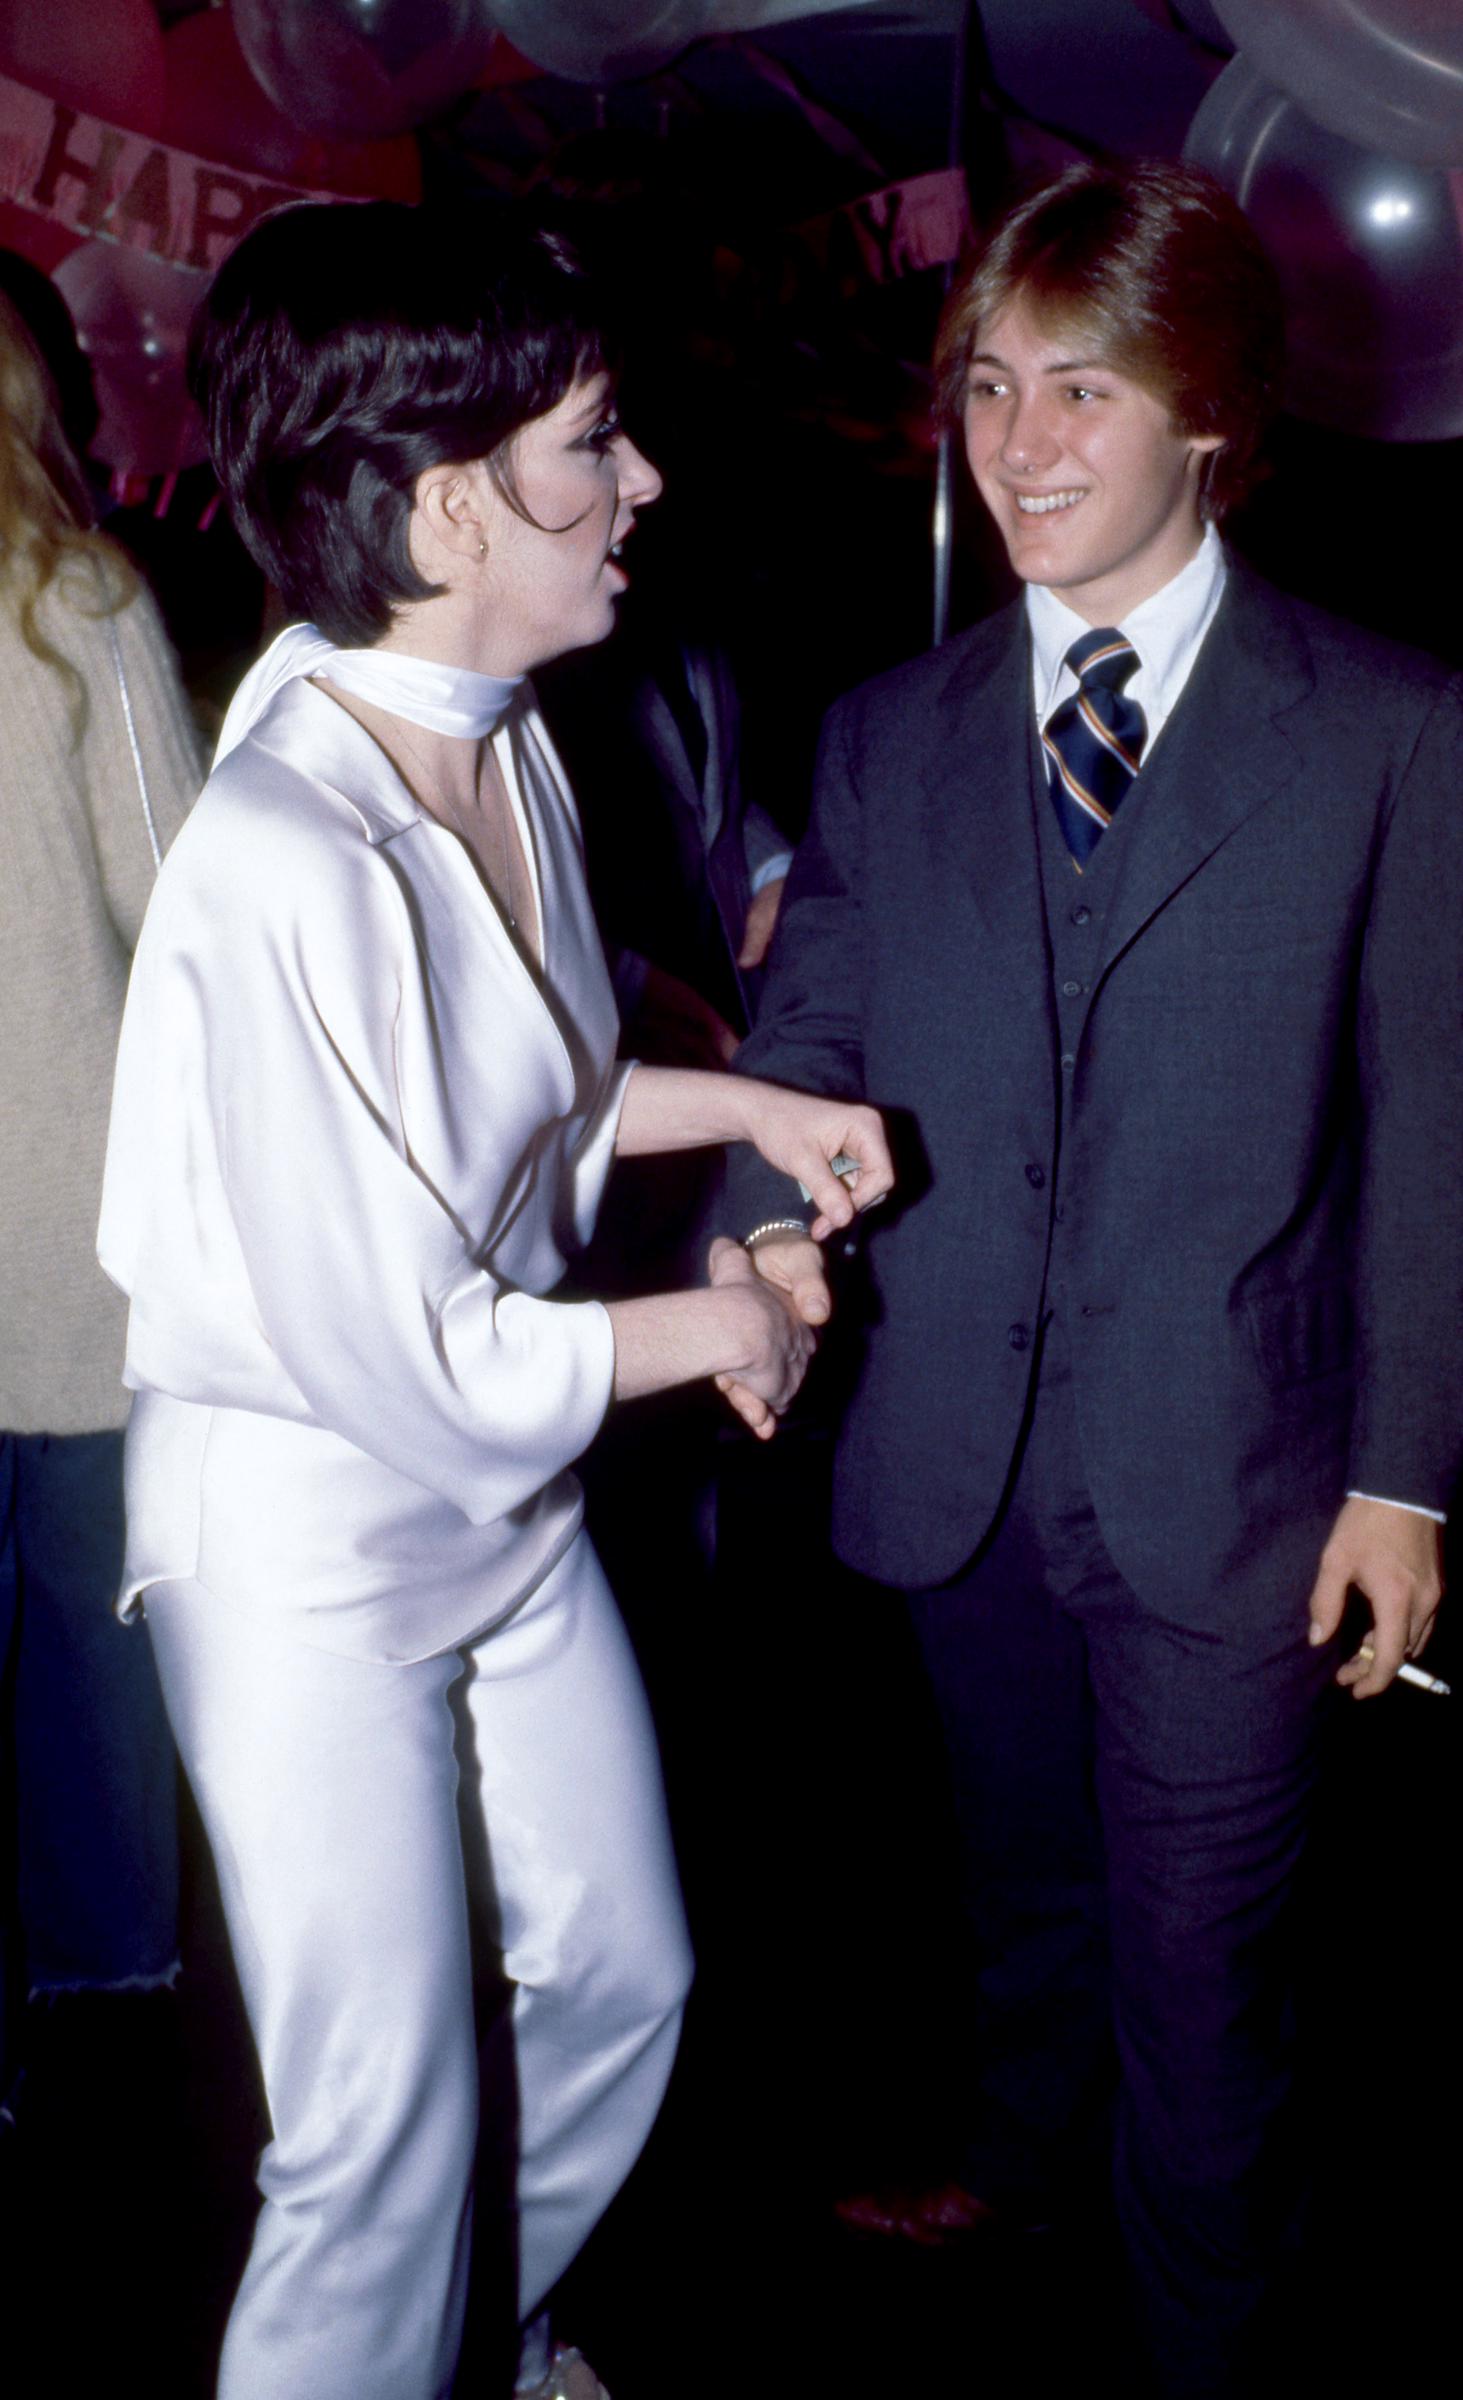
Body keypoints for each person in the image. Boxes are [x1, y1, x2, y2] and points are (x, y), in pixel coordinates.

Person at [96, 199, 889, 2400]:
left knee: (626, 1975)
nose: (645, 480)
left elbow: (521, 1085)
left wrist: (758, 1101)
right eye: (595, 442)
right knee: (375, 2132)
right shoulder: (285, 854)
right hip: (311, 1545)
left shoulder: (503, 731)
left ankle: (459, 2342)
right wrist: (724, 1325)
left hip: (500, 1498)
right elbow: (422, 1348)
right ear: (453, 508)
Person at [724, 159, 1461, 2395]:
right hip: (956, 1449)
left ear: (1210, 414)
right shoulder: (888, 732)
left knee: (1204, 1977)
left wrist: (1407, 1482)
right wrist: (766, 1217)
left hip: (1243, 1480)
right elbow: (810, 1039)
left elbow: (1435, 1130)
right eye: (990, 386)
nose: (1018, 445)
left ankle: (1201, 2342)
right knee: (1026, 1886)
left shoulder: (1391, 728)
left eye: (1083, 392)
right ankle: (1022, 2165)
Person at [0, 291, 200, 2106]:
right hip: (74, 1236)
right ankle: (107, 2002)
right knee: (90, 1644)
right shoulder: (80, 602)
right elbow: (184, 916)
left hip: (63, 1238)